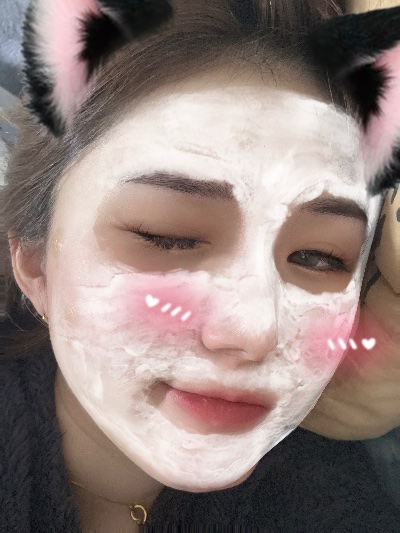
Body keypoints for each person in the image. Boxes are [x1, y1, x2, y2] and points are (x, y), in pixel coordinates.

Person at [2, 0, 400, 530]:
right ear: (35, 263)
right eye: (169, 238)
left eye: (320, 257)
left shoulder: (336, 503)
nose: (255, 330)